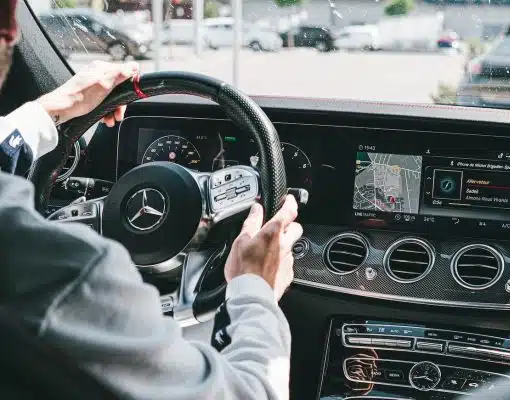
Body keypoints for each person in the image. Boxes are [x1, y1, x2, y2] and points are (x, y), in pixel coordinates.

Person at [0, 1, 300, 399]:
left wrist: (49, 110)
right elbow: (252, 391)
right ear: (9, 26)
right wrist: (254, 290)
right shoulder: (65, 277)